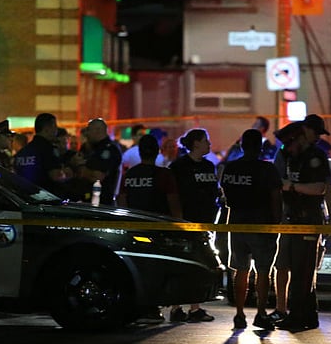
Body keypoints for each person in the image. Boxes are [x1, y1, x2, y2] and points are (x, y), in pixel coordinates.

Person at [220, 129, 283, 330]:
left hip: (237, 222)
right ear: (260, 147)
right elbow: (275, 197)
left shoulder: (230, 168)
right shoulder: (267, 169)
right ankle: (261, 314)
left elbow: (226, 195)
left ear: (242, 146)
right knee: (263, 271)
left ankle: (239, 314)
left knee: (240, 269)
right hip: (262, 224)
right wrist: (277, 221)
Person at [272, 120, 331, 331]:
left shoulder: (315, 157)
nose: (286, 149)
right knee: (299, 271)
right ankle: (307, 315)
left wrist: (293, 187)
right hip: (294, 219)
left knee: (301, 272)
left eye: (288, 144)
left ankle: (297, 317)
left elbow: (320, 188)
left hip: (308, 220)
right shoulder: (292, 157)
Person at [168, 128, 219, 323]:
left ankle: (195, 308)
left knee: (200, 263)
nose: (209, 144)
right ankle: (176, 307)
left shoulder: (208, 166)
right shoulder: (179, 167)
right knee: (182, 263)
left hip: (204, 223)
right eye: (206, 140)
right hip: (185, 222)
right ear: (196, 143)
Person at [118, 134, 181, 218]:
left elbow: (122, 202)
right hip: (159, 225)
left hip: (134, 224)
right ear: (157, 152)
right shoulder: (165, 175)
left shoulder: (128, 175)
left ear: (140, 152)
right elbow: (174, 204)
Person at [14, 113, 74, 194]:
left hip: (24, 198)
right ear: (47, 128)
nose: (56, 130)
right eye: (55, 126)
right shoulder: (47, 149)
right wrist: (71, 169)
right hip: (45, 198)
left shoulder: (23, 152)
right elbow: (57, 176)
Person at [79, 118, 123, 206]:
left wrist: (81, 169)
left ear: (98, 130)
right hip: (88, 201)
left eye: (89, 130)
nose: (87, 134)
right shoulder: (89, 148)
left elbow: (97, 177)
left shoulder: (109, 150)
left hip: (103, 203)